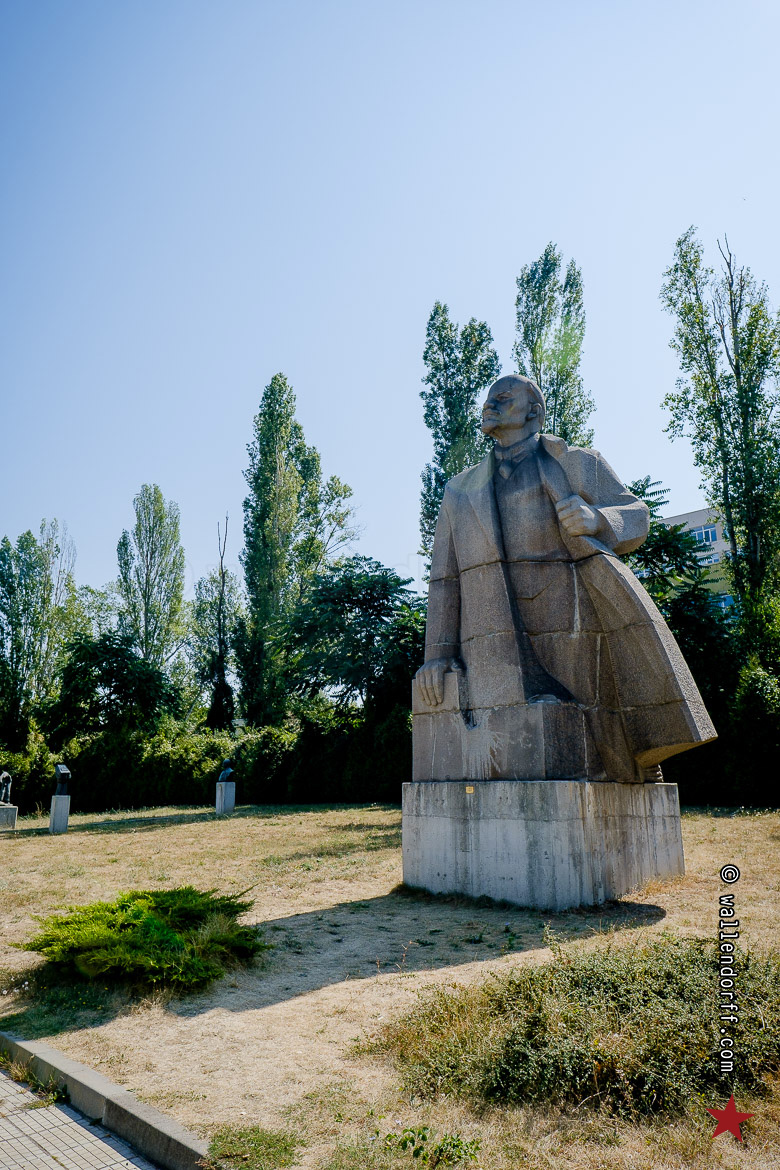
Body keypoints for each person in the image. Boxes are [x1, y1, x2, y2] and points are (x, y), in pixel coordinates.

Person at [414, 374, 716, 783]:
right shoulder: (459, 491)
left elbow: (637, 515)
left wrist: (598, 519)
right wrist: (436, 654)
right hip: (493, 628)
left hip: (571, 610)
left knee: (607, 733)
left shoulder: (577, 462)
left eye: (503, 398)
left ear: (534, 412)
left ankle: (635, 773)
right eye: (488, 399)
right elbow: (444, 580)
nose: (490, 405)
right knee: (519, 739)